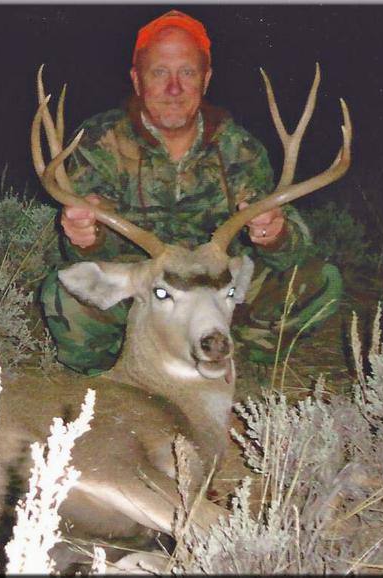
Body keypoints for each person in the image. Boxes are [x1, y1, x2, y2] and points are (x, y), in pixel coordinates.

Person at [40, 10, 342, 375]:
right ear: (137, 80)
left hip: (221, 294)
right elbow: (80, 253)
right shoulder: (97, 142)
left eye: (187, 72)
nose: (173, 88)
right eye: (159, 73)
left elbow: (294, 250)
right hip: (147, 297)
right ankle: (112, 386)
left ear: (206, 78)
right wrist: (85, 236)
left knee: (320, 282)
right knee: (64, 295)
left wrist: (275, 233)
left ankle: (240, 366)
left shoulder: (238, 148)